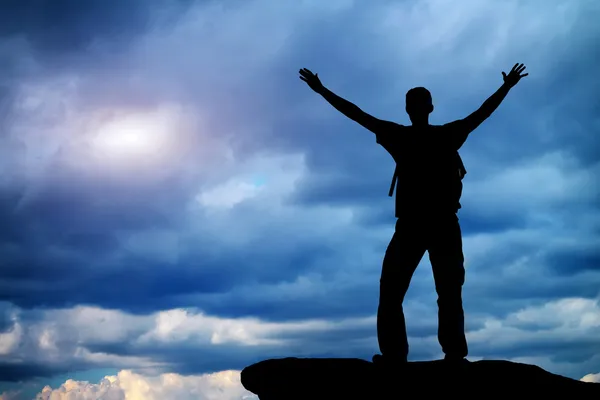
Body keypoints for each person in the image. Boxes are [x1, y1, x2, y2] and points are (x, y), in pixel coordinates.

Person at [298, 63, 528, 365]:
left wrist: (321, 90)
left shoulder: (409, 136)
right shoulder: (441, 135)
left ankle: (423, 355)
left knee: (422, 291)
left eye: (417, 103)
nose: (416, 108)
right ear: (423, 108)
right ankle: (442, 355)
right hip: (428, 224)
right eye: (415, 104)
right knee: (432, 292)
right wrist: (506, 87)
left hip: (426, 224)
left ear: (419, 108)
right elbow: (481, 113)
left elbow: (357, 114)